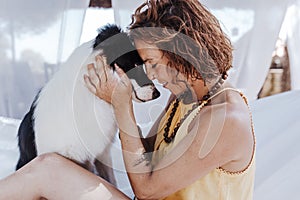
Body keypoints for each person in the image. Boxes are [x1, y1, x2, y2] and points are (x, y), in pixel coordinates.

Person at [0, 0, 255, 199]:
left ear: (182, 53)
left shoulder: (226, 119)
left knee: (46, 171)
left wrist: (122, 105)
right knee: (49, 167)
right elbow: (147, 154)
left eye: (152, 64)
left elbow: (147, 190)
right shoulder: (186, 99)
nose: (151, 76)